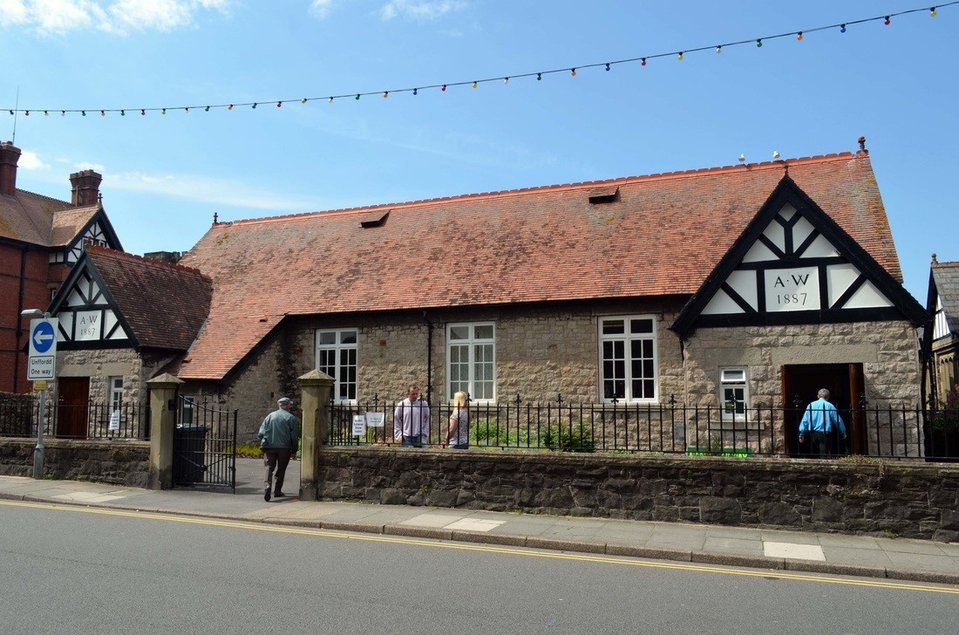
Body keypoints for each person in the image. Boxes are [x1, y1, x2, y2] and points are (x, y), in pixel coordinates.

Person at [258, 397, 300, 501]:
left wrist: (263, 442)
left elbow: (261, 433)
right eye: (289, 404)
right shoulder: (291, 418)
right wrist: (294, 450)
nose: (290, 406)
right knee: (281, 469)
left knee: (269, 467)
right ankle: (277, 491)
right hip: (284, 448)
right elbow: (294, 436)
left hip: (269, 447)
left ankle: (267, 485)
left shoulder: (270, 416)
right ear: (286, 406)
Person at [799, 388, 847, 458]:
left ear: (818, 396)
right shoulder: (829, 406)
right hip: (824, 434)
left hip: (812, 433)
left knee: (814, 453)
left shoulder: (811, 405)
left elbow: (805, 420)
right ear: (828, 397)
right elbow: (837, 420)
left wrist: (801, 433)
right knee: (824, 455)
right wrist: (843, 432)